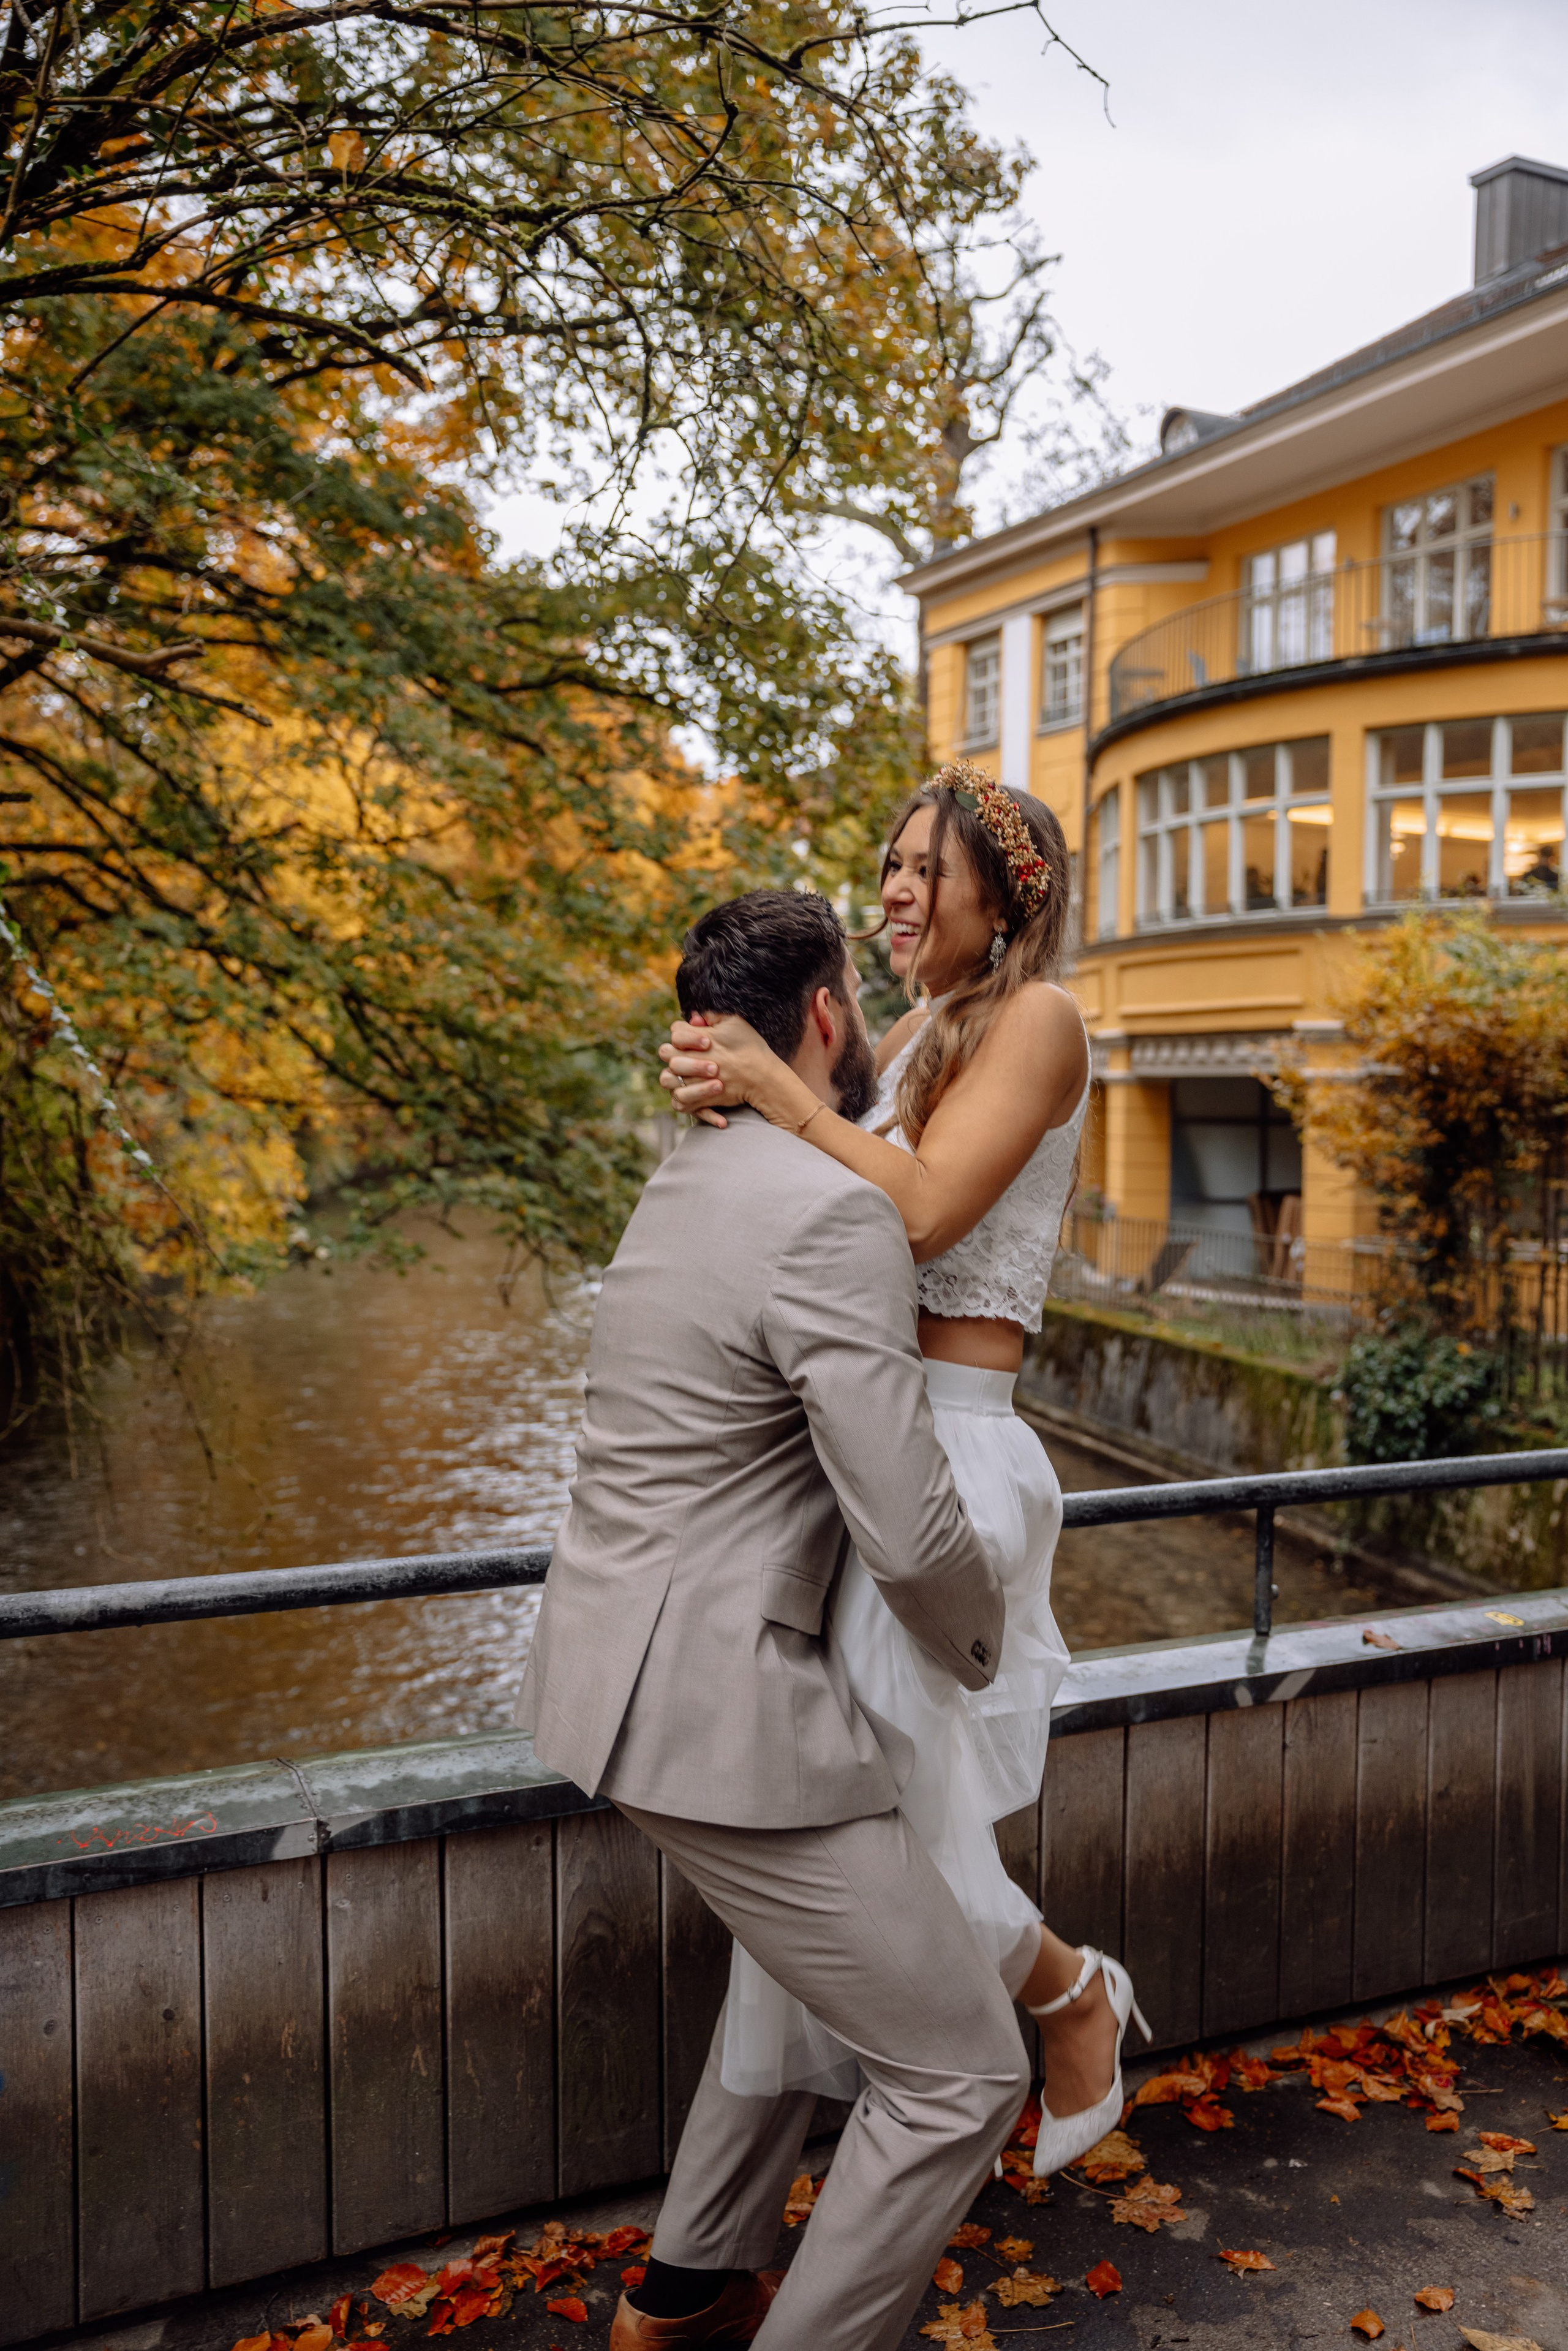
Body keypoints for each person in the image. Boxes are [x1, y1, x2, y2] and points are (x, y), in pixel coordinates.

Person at [518, 885, 1031, 2351]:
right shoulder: (831, 1211)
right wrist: (986, 1651)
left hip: (611, 1672)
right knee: (956, 2074)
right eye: (855, 997)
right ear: (823, 1014)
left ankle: (682, 2292)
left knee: (790, 1963)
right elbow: (905, 1516)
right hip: (719, 1705)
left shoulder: (690, 1169)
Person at [660, 761, 1148, 2179]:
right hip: (865, 1448)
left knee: (876, 1822)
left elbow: (924, 1213)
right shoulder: (918, 1033)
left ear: (1001, 897)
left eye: (918, 866)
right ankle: (725, 2230)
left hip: (952, 1447)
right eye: (883, 863)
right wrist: (729, 1089)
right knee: (854, 1812)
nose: (886, 889)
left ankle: (1064, 1996)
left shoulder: (1039, 1019)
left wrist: (784, 1100)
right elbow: (815, 1208)